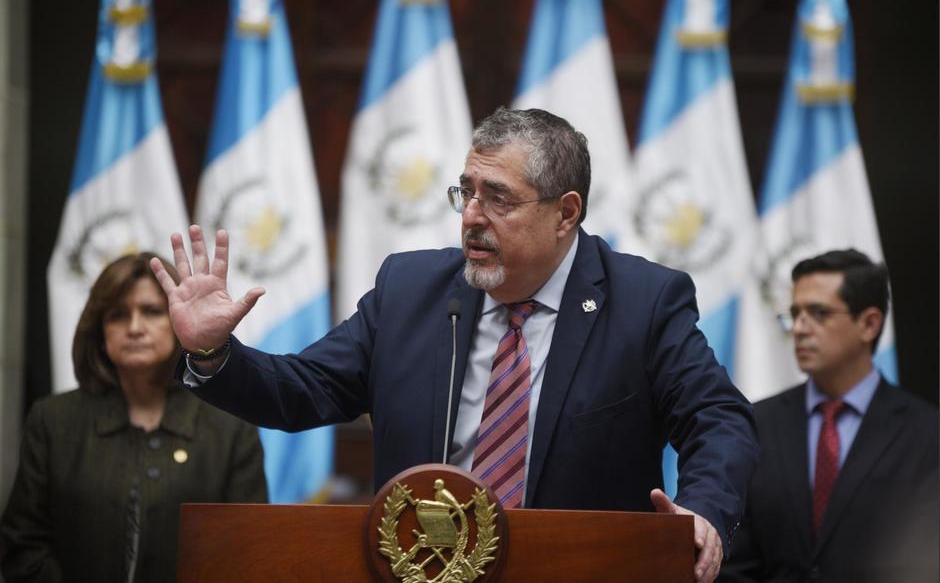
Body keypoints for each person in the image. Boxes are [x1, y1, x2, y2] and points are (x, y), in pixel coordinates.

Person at [153, 108, 758, 583]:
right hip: (421, 568)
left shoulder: (643, 302)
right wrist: (213, 353)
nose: (471, 216)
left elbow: (718, 418)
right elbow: (304, 390)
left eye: (498, 198)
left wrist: (703, 511)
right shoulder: (410, 290)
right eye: (465, 192)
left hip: (579, 570)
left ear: (566, 213)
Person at [1, 253, 267, 583]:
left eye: (151, 311)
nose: (135, 328)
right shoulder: (53, 421)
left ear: (179, 320)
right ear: (99, 331)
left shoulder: (230, 427)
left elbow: (247, 553)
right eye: (118, 315)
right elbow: (22, 547)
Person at [720, 249, 939, 583]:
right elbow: (734, 561)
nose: (799, 328)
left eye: (819, 313)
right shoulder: (758, 423)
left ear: (869, 324)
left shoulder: (925, 434)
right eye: (795, 313)